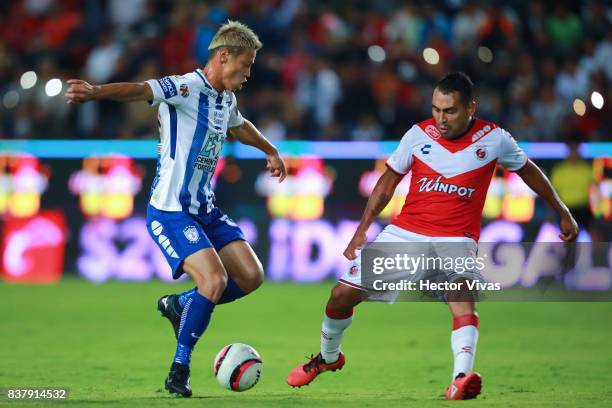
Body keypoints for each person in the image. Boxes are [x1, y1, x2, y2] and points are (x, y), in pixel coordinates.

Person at [286, 72, 578, 400]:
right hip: (405, 233)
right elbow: (387, 183)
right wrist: (362, 229)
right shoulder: (417, 135)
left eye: (450, 111)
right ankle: (328, 358)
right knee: (340, 296)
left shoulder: (495, 139)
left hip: (456, 239)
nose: (441, 118)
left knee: (461, 294)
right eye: (436, 109)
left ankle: (460, 378)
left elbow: (529, 171)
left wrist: (562, 210)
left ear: (471, 108)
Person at [66, 21, 287, 397]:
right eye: (246, 65)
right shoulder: (186, 86)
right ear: (223, 56)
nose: (249, 74)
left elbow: (239, 126)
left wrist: (269, 149)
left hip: (206, 209)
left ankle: (180, 303)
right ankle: (179, 370)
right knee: (214, 280)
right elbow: (140, 90)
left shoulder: (225, 99)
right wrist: (96, 92)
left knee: (251, 276)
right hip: (170, 211)